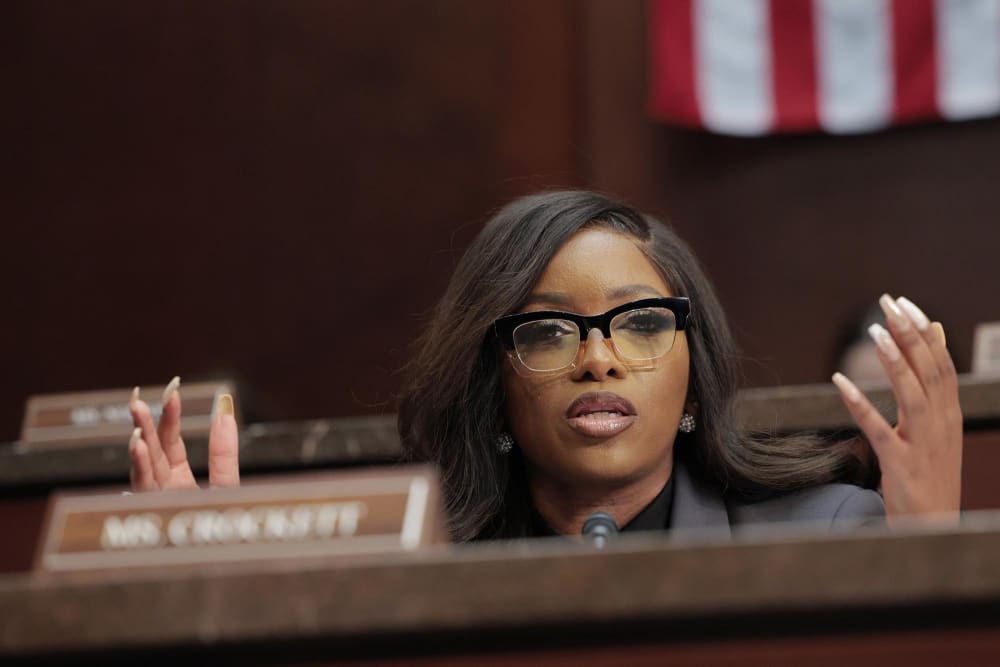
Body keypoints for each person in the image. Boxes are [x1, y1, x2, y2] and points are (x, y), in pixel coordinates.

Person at [127, 191, 963, 541]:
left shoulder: (827, 534)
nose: (597, 360)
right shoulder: (405, 567)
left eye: (639, 324)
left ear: (692, 374)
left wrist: (927, 557)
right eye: (548, 333)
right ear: (490, 378)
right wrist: (213, 598)